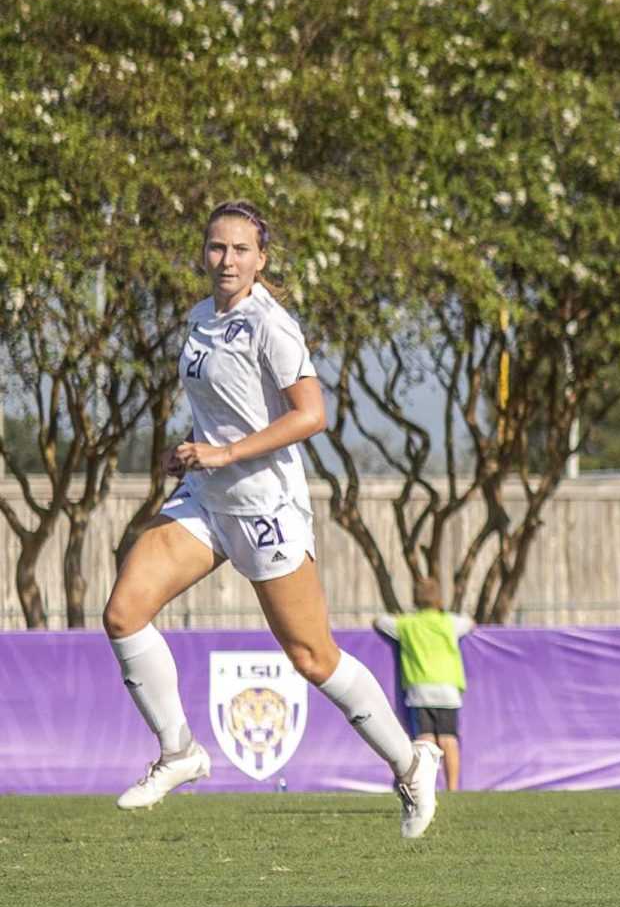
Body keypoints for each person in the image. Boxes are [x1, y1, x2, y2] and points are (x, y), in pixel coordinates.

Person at [101, 201, 441, 837]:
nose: (226, 260)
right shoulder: (202, 318)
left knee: (313, 657)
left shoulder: (270, 324)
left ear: (261, 259)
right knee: (123, 613)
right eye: (215, 248)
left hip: (265, 507)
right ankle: (180, 753)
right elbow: (226, 410)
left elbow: (312, 415)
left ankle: (410, 761)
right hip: (208, 496)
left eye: (239, 250)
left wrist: (225, 451)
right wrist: (196, 449)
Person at [374, 574, 472, 790]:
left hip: (420, 688)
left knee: (425, 741)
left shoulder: (408, 624)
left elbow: (380, 622)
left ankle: (425, 787)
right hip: (448, 688)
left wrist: (402, 616)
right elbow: (469, 622)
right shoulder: (448, 622)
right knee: (448, 739)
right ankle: (453, 788)